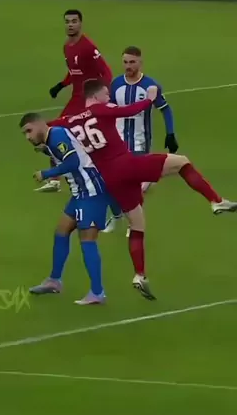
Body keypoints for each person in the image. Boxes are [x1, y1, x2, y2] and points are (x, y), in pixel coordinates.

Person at [57, 79, 237, 300]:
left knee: (137, 224)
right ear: (94, 96)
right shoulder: (100, 110)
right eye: (105, 94)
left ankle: (140, 275)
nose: (108, 97)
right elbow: (130, 110)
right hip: (126, 165)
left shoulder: (70, 121)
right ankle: (216, 201)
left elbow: (49, 127)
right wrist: (150, 98)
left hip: (110, 178)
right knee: (181, 162)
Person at [20, 113, 109, 305]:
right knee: (61, 232)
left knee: (87, 240)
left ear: (40, 124)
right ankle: (54, 281)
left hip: (91, 191)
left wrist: (46, 174)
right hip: (79, 193)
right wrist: (46, 151)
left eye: (29, 131)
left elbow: (73, 162)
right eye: (25, 134)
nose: (27, 137)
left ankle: (98, 292)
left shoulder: (57, 135)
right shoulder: (52, 139)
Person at [104, 45, 178, 233]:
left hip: (140, 142)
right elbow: (109, 111)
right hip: (117, 143)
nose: (128, 66)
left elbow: (165, 109)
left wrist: (170, 133)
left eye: (132, 62)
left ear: (140, 62)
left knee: (133, 188)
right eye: (125, 62)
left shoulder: (150, 86)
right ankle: (116, 216)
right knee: (110, 183)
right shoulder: (116, 84)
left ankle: (134, 224)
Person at [40, 9, 112, 193]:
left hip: (87, 99)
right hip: (76, 97)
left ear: (80, 23)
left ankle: (60, 178)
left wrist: (102, 95)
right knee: (58, 132)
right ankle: (57, 179)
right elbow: (74, 72)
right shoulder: (67, 46)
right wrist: (61, 85)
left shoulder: (88, 47)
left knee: (58, 130)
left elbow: (106, 72)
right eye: (67, 21)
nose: (70, 25)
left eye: (74, 21)